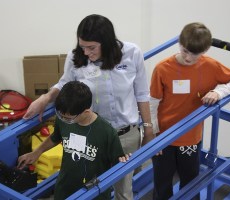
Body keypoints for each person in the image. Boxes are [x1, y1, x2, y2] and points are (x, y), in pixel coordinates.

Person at [23, 14, 154, 199]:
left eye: (91, 47)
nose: (86, 52)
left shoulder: (132, 53)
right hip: (93, 136)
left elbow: (141, 93)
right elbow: (64, 84)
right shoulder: (76, 57)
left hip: (124, 135)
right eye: (82, 46)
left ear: (107, 42)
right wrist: (45, 98)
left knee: (123, 190)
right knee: (91, 187)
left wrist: (148, 128)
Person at [149, 22, 230, 200]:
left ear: (205, 49)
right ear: (180, 44)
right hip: (163, 135)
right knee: (162, 182)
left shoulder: (211, 66)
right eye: (185, 51)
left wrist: (218, 91)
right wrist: (152, 133)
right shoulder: (162, 68)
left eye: (195, 54)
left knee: (190, 182)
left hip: (190, 136)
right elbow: (153, 103)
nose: (188, 58)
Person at [18, 81, 130, 199]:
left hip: (94, 193)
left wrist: (125, 159)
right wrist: (37, 152)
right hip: (65, 189)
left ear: (86, 112)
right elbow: (55, 137)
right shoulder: (63, 119)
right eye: (61, 116)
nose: (64, 120)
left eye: (68, 118)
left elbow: (118, 163)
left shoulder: (107, 132)